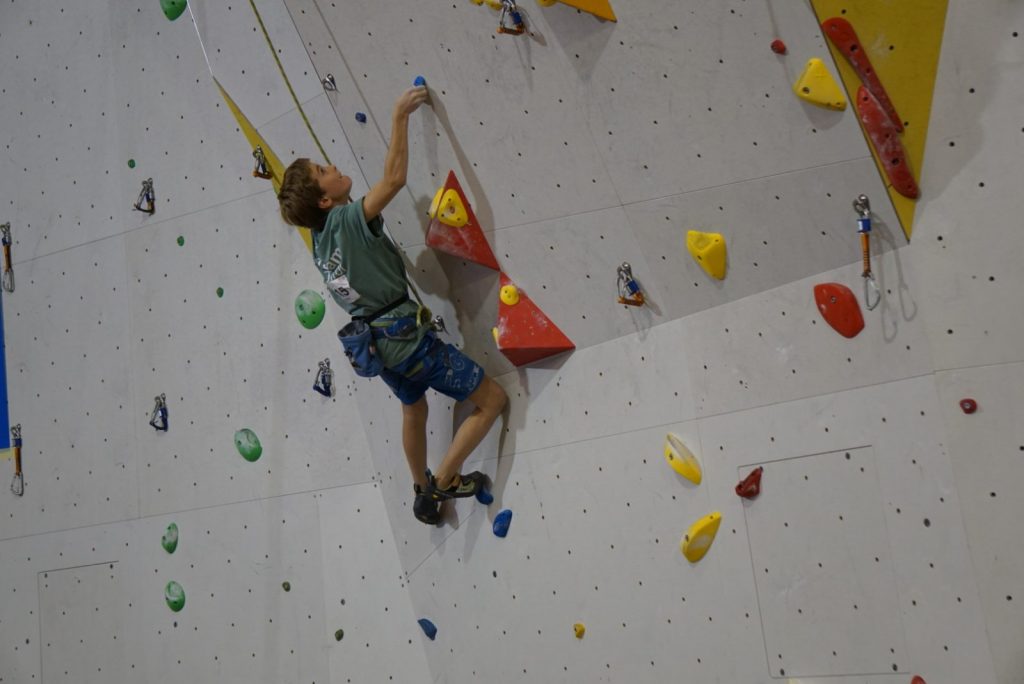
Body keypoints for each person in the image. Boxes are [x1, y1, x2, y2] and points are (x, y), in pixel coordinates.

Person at [277, 85, 508, 525]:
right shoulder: (343, 221)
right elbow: (394, 180)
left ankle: (419, 488)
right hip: (407, 342)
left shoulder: (321, 242)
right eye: (325, 169)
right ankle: (442, 481)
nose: (335, 166)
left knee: (413, 408)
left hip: (377, 350)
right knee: (492, 400)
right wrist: (400, 114)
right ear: (325, 200)